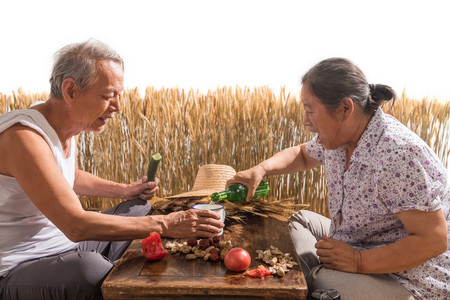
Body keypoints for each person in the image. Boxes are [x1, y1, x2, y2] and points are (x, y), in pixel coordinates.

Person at [0, 39, 224, 300]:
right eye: (108, 96)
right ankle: (103, 275)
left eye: (119, 95)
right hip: (17, 265)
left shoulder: (63, 122)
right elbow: (75, 225)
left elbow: (68, 177)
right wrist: (166, 224)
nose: (117, 107)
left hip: (65, 245)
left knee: (138, 208)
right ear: (70, 90)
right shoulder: (23, 138)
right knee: (90, 270)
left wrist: (126, 190)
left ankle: (107, 274)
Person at [226, 58, 449, 299]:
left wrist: (357, 261)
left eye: (310, 109)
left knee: (317, 281)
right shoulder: (339, 138)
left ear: (345, 108)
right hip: (358, 243)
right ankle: (321, 272)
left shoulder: (397, 154)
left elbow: (433, 241)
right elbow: (301, 155)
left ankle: (319, 275)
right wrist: (261, 169)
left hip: (411, 277)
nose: (305, 120)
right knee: (301, 221)